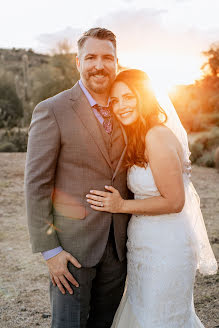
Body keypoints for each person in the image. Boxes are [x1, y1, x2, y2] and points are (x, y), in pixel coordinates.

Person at [86, 69, 218, 328]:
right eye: (115, 101)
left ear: (143, 96)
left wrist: (121, 205)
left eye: (128, 97)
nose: (121, 106)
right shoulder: (139, 136)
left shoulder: (157, 135)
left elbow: (175, 201)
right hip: (145, 246)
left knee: (160, 319)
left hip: (167, 247)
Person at [24, 28, 130, 328]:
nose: (100, 64)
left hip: (119, 250)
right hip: (71, 251)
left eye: (107, 57)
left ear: (117, 62)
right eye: (91, 57)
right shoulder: (52, 110)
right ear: (78, 62)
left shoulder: (128, 109)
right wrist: (51, 252)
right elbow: (36, 186)